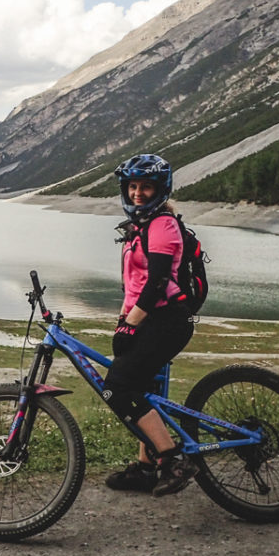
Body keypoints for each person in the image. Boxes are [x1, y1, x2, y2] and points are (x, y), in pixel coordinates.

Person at [102, 153, 199, 496]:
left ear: (160, 190)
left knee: (117, 388)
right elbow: (134, 283)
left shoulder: (162, 225)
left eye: (145, 187)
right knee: (144, 388)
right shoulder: (140, 226)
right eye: (132, 187)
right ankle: (146, 468)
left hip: (168, 319)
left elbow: (157, 280)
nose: (138, 194)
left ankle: (173, 460)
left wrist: (130, 325)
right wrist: (124, 320)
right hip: (148, 317)